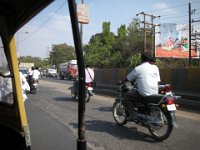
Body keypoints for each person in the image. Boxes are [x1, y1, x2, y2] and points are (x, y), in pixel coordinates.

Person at [122, 52, 161, 120]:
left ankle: (133, 114)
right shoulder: (155, 67)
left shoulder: (138, 68)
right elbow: (158, 80)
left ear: (141, 59)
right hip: (155, 93)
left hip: (144, 94)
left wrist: (121, 82)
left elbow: (128, 78)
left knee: (127, 96)